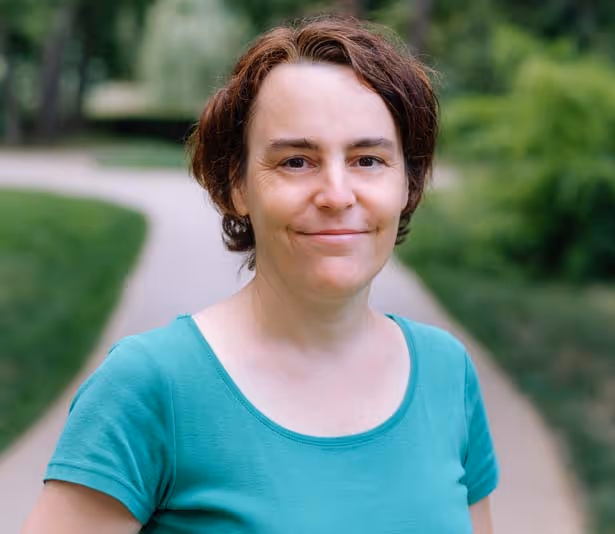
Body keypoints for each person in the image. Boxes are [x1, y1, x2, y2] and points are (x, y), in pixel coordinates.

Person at [23, 15, 499, 534]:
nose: (337, 194)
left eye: (367, 160)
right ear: (237, 186)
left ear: (408, 183)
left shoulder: (447, 373)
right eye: (296, 161)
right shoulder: (149, 386)